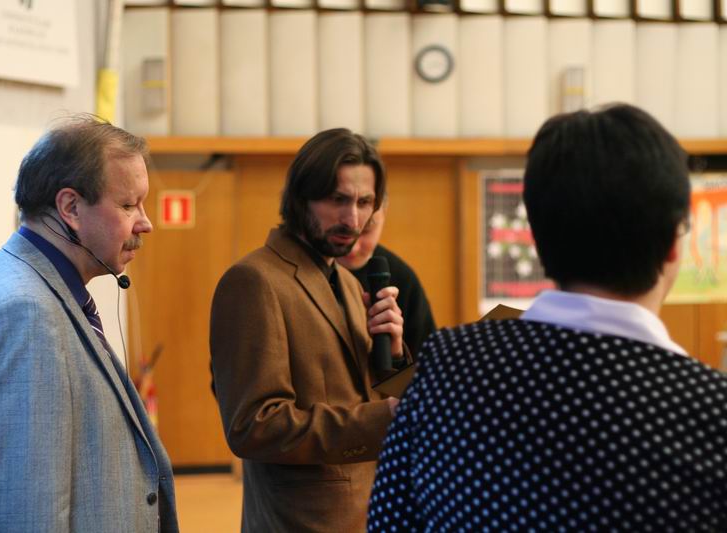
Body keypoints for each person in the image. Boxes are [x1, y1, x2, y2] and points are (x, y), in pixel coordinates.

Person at [368, 103, 727, 531]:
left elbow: (389, 521)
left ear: (537, 239)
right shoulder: (709, 414)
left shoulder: (447, 364)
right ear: (673, 244)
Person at [0, 116, 179, 532]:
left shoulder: (37, 288)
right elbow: (23, 514)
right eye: (128, 205)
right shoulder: (26, 314)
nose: (145, 222)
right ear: (70, 208)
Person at [210, 128, 406, 532]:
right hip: (299, 522)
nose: (353, 219)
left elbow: (360, 394)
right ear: (301, 197)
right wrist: (380, 420)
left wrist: (396, 354)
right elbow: (253, 426)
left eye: (364, 203)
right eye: (338, 200)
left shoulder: (348, 283)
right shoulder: (254, 280)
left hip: (366, 515)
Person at [337, 200, 436, 356]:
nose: (353, 247)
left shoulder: (402, 277)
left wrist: (396, 354)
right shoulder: (306, 270)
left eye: (366, 230)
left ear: (384, 213)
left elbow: (426, 361)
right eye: (343, 232)